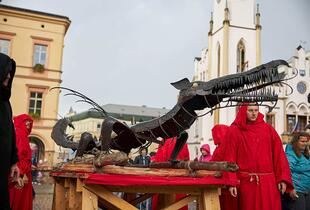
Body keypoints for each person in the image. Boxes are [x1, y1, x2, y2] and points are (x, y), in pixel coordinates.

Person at [222, 103, 293, 210]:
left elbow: (279, 155)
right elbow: (230, 157)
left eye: (256, 110)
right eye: (250, 110)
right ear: (243, 111)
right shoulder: (234, 130)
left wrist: (282, 179)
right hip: (247, 183)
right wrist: (232, 182)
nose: (254, 113)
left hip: (268, 183)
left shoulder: (268, 129)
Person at [0, 53, 20, 210]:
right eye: (6, 70)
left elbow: (10, 133)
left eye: (10, 72)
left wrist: (14, 161)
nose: (8, 75)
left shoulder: (6, 102)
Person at [151, 137, 190, 210]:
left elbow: (158, 162)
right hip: (177, 180)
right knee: (179, 203)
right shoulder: (182, 141)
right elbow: (186, 159)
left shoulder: (165, 141)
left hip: (167, 180)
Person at [9, 114, 34, 210]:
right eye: (26, 121)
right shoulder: (20, 134)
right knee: (20, 203)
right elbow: (19, 155)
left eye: (30, 121)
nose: (29, 123)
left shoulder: (19, 133)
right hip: (20, 174)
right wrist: (22, 174)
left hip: (22, 172)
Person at [284, 132, 310, 210]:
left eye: (306, 141)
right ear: (295, 142)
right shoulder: (291, 155)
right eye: (302, 141)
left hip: (306, 189)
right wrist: (291, 188)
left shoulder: (305, 154)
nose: (305, 144)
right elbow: (287, 171)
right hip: (296, 190)